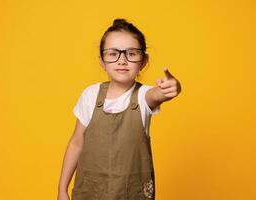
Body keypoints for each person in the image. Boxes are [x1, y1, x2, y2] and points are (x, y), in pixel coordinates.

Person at [57, 18, 182, 200]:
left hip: (131, 194)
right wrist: (62, 189)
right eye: (113, 53)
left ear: (144, 61)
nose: (122, 60)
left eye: (131, 54)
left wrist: (172, 88)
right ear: (102, 60)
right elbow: (76, 143)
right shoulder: (90, 95)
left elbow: (157, 95)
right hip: (90, 193)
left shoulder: (142, 96)